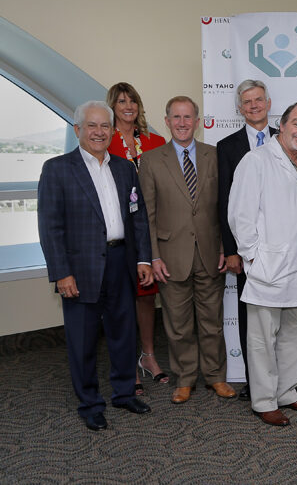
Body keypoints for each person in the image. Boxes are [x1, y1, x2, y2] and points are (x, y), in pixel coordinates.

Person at [38, 101, 153, 430]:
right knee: (83, 339)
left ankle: (124, 393)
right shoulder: (57, 169)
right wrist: (61, 272)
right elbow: (51, 227)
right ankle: (89, 403)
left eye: (105, 126)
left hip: (122, 262)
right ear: (78, 130)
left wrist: (143, 258)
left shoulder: (124, 167)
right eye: (92, 126)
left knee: (123, 333)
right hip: (80, 267)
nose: (99, 132)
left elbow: (139, 217)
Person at [228, 102, 297, 426]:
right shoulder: (256, 161)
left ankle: (287, 392)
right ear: (280, 125)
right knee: (262, 338)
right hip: (269, 267)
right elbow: (240, 216)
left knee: (296, 335)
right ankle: (264, 400)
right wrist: (254, 259)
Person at [138, 96, 235, 404]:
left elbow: (225, 208)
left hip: (210, 253)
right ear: (167, 121)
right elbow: (147, 215)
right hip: (169, 257)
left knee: (211, 323)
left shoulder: (214, 155)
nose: (182, 123)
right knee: (178, 326)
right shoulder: (152, 160)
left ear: (197, 121)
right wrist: (153, 255)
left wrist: (224, 246)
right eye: (176, 117)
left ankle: (216, 377)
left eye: (188, 117)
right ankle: (185, 378)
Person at [105, 82, 169, 396]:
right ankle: (127, 361)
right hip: (119, 232)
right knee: (122, 299)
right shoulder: (104, 141)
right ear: (112, 106)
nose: (128, 105)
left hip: (151, 231)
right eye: (121, 101)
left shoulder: (155, 141)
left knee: (146, 296)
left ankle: (148, 356)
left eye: (132, 100)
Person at [217, 79, 277, 401]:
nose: (253, 106)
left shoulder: (288, 139)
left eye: (258, 100)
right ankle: (256, 383)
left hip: (284, 248)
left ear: (268, 103)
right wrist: (231, 251)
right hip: (247, 251)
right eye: (247, 102)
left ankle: (280, 380)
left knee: (281, 316)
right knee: (249, 317)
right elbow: (225, 203)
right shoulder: (227, 147)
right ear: (239, 108)